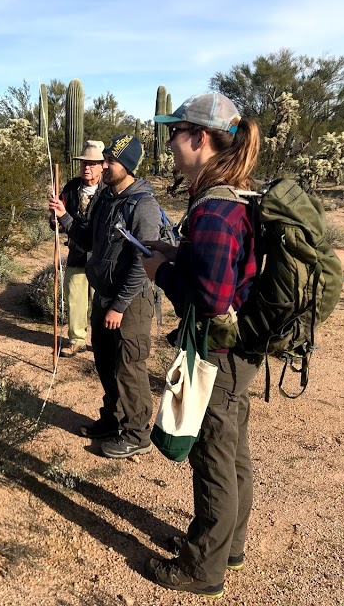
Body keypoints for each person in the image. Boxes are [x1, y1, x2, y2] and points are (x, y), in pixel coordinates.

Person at [141, 92, 262, 598]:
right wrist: (178, 256)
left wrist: (161, 270)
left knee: (212, 454)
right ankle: (226, 546)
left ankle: (203, 568)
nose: (170, 142)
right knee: (232, 450)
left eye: (176, 132)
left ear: (200, 138)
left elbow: (210, 299)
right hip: (243, 349)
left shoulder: (214, 208)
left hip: (219, 353)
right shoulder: (236, 196)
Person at [48, 134, 162, 458]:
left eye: (110, 160)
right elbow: (90, 240)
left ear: (125, 166)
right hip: (103, 296)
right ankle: (113, 420)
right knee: (106, 364)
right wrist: (65, 216)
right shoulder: (106, 199)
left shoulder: (143, 206)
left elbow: (143, 262)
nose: (103, 165)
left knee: (129, 368)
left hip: (130, 303)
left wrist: (119, 306)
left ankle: (137, 434)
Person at [53, 140, 105, 358]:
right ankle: (77, 340)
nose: (87, 168)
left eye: (93, 164)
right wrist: (55, 215)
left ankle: (102, 342)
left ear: (103, 165)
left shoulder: (108, 191)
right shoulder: (71, 188)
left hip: (102, 257)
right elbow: (57, 220)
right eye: (84, 163)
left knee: (101, 302)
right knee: (75, 298)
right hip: (77, 254)